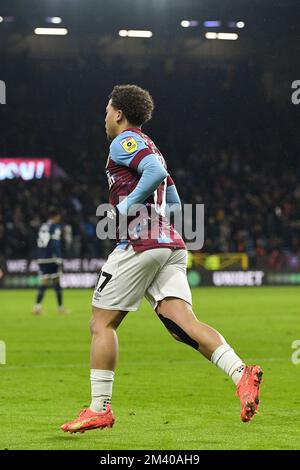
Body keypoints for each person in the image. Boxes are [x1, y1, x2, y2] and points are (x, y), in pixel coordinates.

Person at [61, 84, 263, 434]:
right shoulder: (152, 146)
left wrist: (126, 207)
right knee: (180, 324)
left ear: (120, 113)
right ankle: (240, 372)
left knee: (102, 323)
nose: (105, 117)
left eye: (107, 110)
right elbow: (175, 204)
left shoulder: (124, 142)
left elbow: (153, 174)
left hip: (140, 243)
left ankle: (99, 408)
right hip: (169, 243)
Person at [32, 207, 69, 315]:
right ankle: (60, 308)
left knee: (44, 282)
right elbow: (54, 242)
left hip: (41, 257)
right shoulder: (54, 226)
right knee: (57, 282)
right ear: (55, 216)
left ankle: (36, 307)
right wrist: (58, 257)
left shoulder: (43, 225)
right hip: (51, 258)